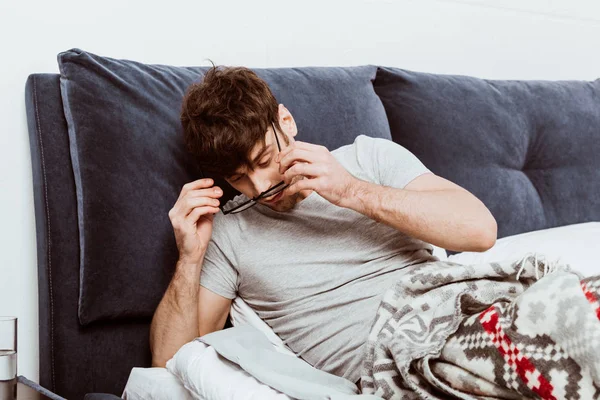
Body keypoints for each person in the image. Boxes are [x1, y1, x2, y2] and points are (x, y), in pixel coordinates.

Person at [149, 66, 498, 385]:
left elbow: (480, 231)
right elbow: (170, 365)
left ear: (286, 121)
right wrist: (189, 259)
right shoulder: (228, 231)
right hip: (404, 363)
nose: (260, 188)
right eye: (238, 178)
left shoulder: (367, 158)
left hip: (468, 311)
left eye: (265, 160)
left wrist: (350, 191)